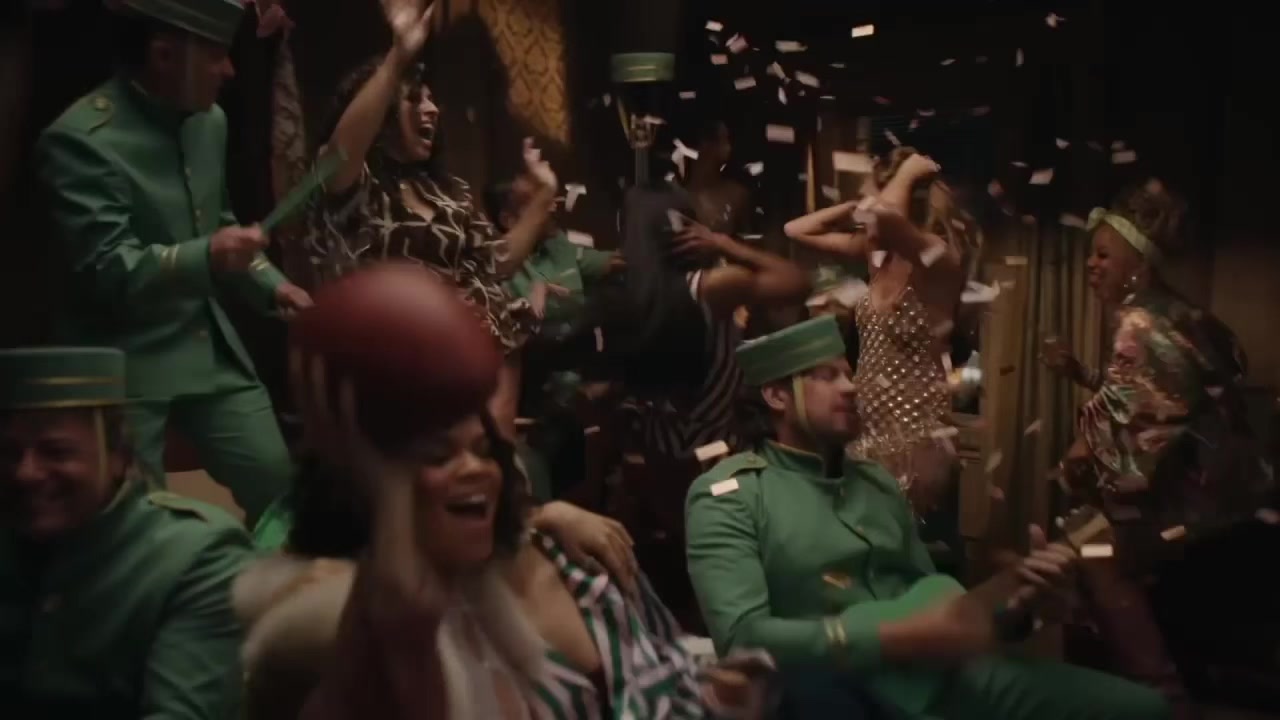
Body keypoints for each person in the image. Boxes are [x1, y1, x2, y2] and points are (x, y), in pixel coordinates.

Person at [232, 346, 775, 719]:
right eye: (438, 455)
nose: (475, 468)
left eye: (482, 448)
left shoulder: (577, 557)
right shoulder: (365, 632)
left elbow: (672, 670)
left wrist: (723, 692)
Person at [685, 315, 1172, 720]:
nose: (851, 387)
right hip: (844, 694)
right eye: (827, 377)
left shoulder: (875, 482)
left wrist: (1018, 604)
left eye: (848, 373)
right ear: (777, 397)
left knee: (1143, 709)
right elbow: (742, 639)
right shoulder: (730, 496)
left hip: (950, 677)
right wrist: (891, 638)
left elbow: (934, 603)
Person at [35, 0, 308, 527]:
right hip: (125, 357)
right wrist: (210, 254)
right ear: (163, 55)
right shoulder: (80, 140)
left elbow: (220, 222)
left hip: (206, 343)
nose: (229, 71)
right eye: (216, 56)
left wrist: (275, 287)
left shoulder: (211, 122)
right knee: (130, 521)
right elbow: (108, 270)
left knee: (281, 486)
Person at [1046, 180, 1272, 719]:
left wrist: (1079, 456)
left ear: (1139, 265)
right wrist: (1082, 377)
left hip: (1193, 504)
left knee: (1088, 542)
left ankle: (1161, 695)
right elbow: (1148, 389)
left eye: (1104, 255)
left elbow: (1142, 421)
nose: (1091, 265)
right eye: (1091, 255)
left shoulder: (1139, 323)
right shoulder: (1174, 312)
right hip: (1229, 494)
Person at [306, 0, 556, 440]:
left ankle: (493, 459)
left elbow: (495, 262)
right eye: (415, 98)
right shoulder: (356, 182)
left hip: (479, 360)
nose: (433, 109)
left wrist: (545, 196)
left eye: (432, 98)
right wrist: (398, 58)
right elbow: (340, 153)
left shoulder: (447, 190)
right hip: (398, 363)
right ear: (383, 112)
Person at [0, 347, 252, 719]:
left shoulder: (196, 556)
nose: (25, 473)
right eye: (7, 453)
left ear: (119, 454)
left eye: (55, 452)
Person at [783, 147, 982, 515]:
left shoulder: (937, 258)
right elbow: (795, 229)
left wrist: (905, 173)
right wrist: (850, 208)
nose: (864, 212)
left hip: (917, 441)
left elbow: (881, 215)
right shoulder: (877, 258)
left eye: (872, 198)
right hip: (866, 435)